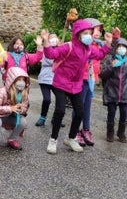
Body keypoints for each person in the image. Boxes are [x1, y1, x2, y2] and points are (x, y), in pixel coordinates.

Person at [40, 19, 118, 154]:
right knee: (60, 111)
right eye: (85, 33)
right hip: (61, 82)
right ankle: (53, 140)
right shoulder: (68, 46)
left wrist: (108, 43)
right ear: (77, 34)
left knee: (80, 112)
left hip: (76, 85)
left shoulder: (88, 49)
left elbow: (99, 55)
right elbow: (51, 54)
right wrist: (46, 41)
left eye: (90, 32)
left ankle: (71, 138)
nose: (88, 35)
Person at [0, 66, 29, 152]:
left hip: (11, 116)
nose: (22, 82)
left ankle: (12, 139)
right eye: (19, 80)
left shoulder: (24, 93)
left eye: (23, 80)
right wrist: (11, 108)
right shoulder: (2, 91)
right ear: (12, 80)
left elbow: (25, 107)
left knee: (23, 122)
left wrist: (21, 109)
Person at [74, 18, 104, 146]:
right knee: (78, 107)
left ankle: (85, 130)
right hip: (81, 79)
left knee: (87, 107)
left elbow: (98, 61)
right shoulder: (85, 44)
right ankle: (75, 132)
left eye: (99, 30)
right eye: (95, 29)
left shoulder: (97, 44)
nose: (98, 32)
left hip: (90, 79)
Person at [35, 32, 59, 127]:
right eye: (51, 38)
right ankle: (42, 117)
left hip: (56, 79)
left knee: (60, 99)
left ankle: (56, 118)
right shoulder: (45, 50)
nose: (53, 40)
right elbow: (50, 60)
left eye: (55, 38)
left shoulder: (60, 49)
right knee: (47, 99)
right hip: (45, 79)